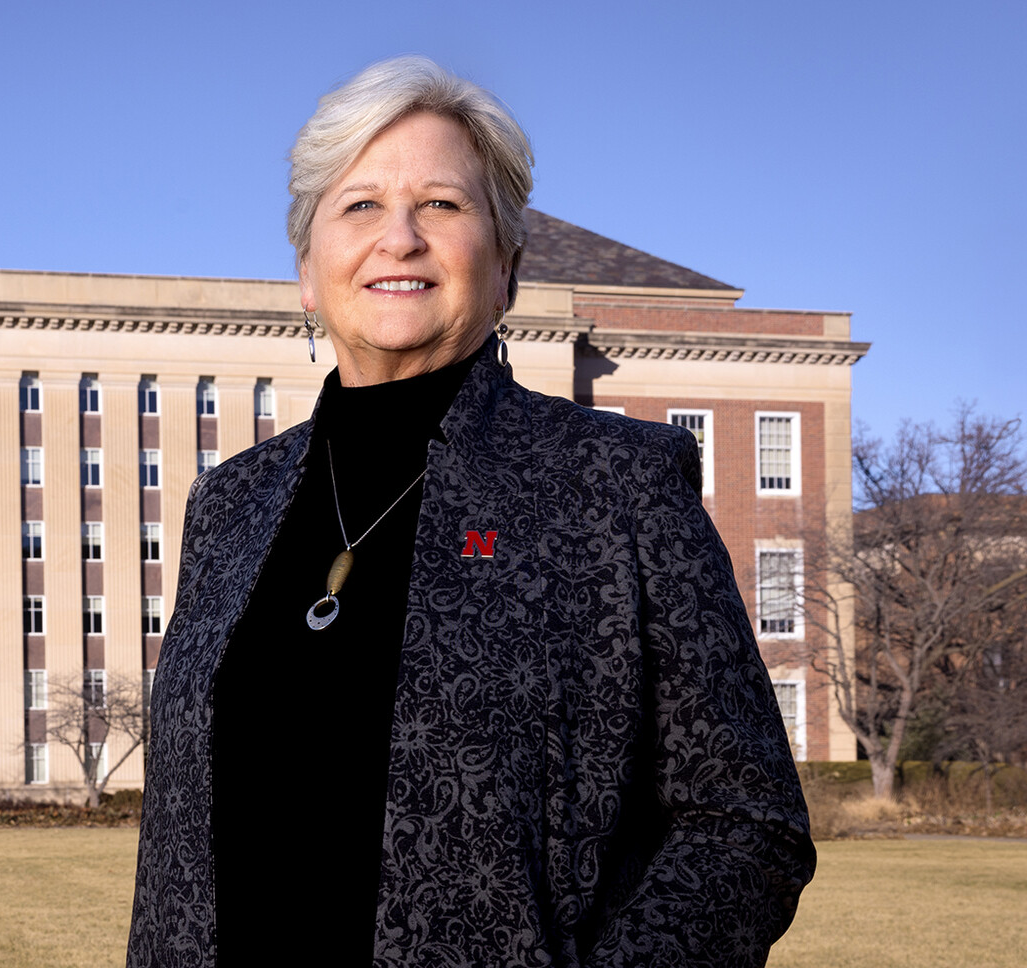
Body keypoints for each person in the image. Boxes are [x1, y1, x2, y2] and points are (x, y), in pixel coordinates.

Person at [126, 56, 814, 968]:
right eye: (359, 205)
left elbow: (745, 820)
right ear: (306, 270)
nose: (399, 238)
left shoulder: (616, 483)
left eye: (443, 205)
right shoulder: (230, 504)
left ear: (507, 268)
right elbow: (178, 842)